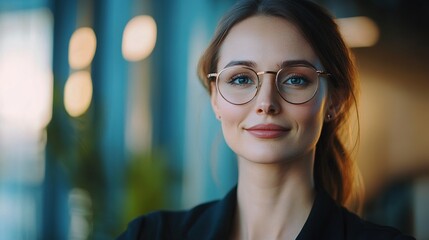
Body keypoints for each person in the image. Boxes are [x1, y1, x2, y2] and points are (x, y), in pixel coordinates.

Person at [118, 0, 415, 239]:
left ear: (334, 100)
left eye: (296, 79)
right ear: (215, 99)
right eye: (241, 79)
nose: (266, 103)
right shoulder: (150, 234)